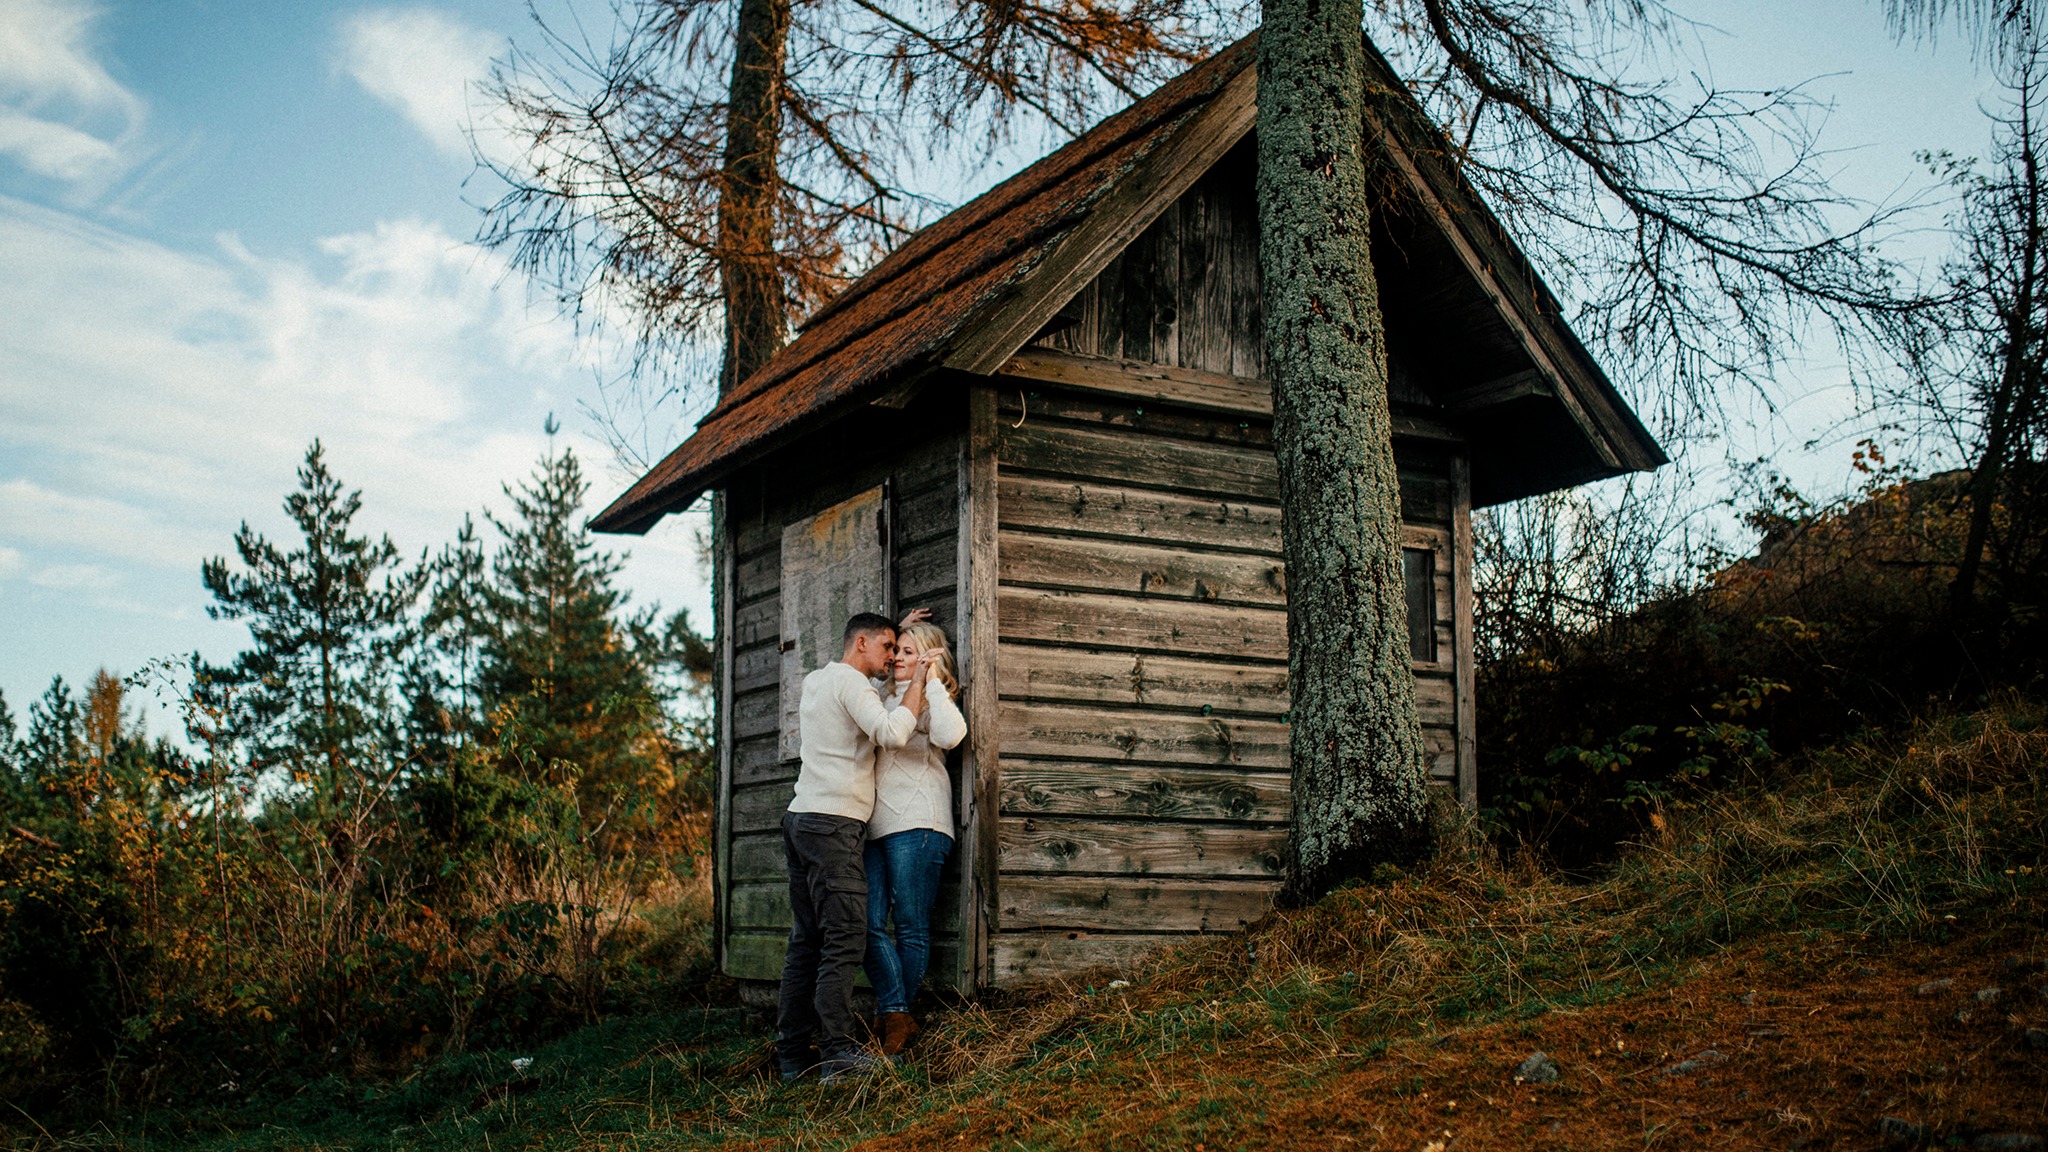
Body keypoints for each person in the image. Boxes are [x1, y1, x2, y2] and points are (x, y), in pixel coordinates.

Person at [777, 611, 935, 1082]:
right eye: (888, 647)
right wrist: (918, 678)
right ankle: (839, 1053)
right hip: (833, 826)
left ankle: (792, 1056)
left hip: (802, 820)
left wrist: (894, 626)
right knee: (845, 939)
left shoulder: (818, 680)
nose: (893, 657)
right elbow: (893, 733)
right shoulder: (853, 684)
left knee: (807, 942)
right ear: (861, 643)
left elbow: (867, 645)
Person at [863, 619, 966, 1057]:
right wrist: (894, 630)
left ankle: (892, 1022)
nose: (898, 658)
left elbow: (951, 736)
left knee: (910, 927)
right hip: (873, 828)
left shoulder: (933, 699)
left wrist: (931, 680)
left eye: (908, 651)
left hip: (920, 824)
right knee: (866, 923)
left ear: (927, 658)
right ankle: (896, 1012)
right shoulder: (881, 695)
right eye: (896, 650)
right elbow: (860, 674)